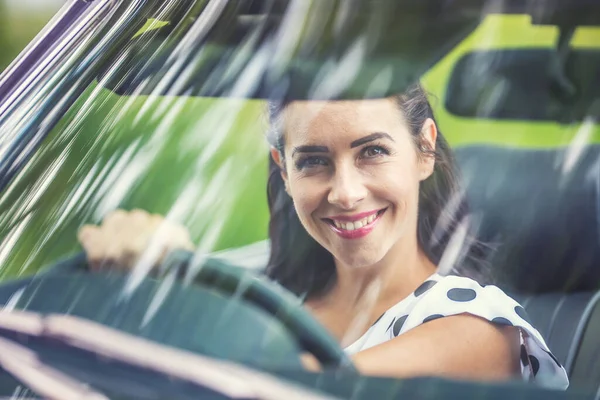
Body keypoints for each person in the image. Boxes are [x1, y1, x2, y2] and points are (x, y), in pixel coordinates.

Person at [78, 84, 569, 389]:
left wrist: (177, 291)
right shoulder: (272, 299)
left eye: (372, 152)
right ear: (284, 171)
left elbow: (288, 388)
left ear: (424, 150)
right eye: (313, 160)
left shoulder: (474, 326)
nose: (346, 192)